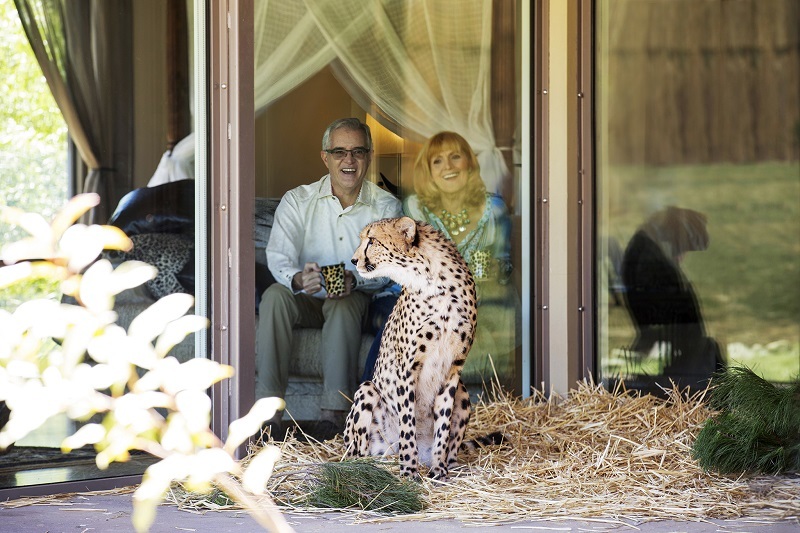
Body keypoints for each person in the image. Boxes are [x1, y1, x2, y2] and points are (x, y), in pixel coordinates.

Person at [256, 118, 402, 437]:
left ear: (369, 156)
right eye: (339, 152)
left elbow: (389, 269)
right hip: (306, 293)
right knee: (274, 298)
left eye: (357, 152)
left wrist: (356, 280)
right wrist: (296, 278)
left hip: (356, 297)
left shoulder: (386, 206)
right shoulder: (298, 200)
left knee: (343, 303)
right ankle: (267, 416)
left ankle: (333, 416)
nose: (348, 160)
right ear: (325, 157)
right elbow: (278, 256)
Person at [362, 131, 520, 387]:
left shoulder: (495, 209)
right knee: (396, 323)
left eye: (455, 157)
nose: (447, 166)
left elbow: (504, 263)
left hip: (474, 296)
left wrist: (497, 269)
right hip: (412, 295)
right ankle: (374, 402)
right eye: (437, 161)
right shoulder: (415, 209)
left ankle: (502, 396)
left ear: (469, 163)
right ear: (429, 171)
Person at [621, 206, 725, 391]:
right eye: (681, 250)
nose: (682, 257)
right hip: (680, 348)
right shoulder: (647, 257)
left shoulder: (648, 249)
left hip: (679, 348)